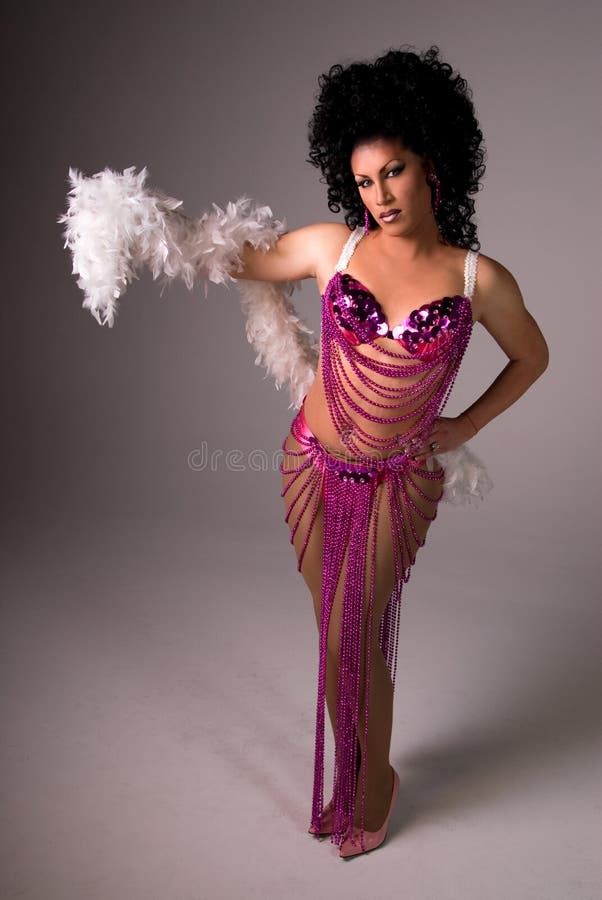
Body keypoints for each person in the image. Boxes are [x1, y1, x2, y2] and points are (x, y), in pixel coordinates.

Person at [59, 44, 549, 860]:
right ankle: (363, 776)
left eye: (392, 173)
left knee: (358, 626)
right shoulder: (333, 248)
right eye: (363, 181)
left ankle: (373, 782)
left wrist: (462, 427)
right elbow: (230, 257)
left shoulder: (477, 279)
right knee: (334, 630)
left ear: (433, 161)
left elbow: (532, 357)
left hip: (397, 483)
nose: (379, 196)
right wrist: (136, 222)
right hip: (312, 466)